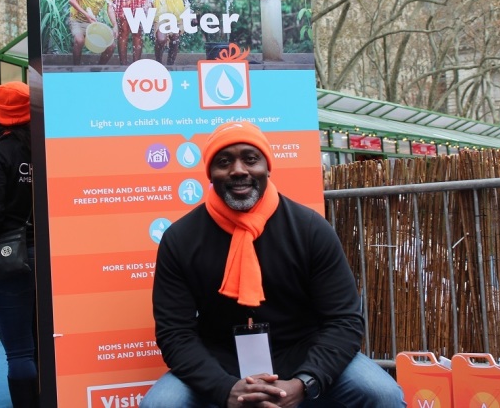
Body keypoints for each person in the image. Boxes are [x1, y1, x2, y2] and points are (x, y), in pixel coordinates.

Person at [142, 121, 406, 408]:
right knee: (161, 404)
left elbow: (344, 320)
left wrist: (305, 381)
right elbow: (174, 332)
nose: (239, 170)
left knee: (383, 395)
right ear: (210, 174)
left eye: (250, 159)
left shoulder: (310, 229)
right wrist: (224, 388)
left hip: (304, 353)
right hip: (219, 361)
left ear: (267, 168)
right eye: (224, 161)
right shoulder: (181, 239)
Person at [0, 82, 36, 407]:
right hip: (50, 260)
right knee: (45, 346)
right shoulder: (47, 147)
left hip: (11, 259)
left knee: (19, 352)